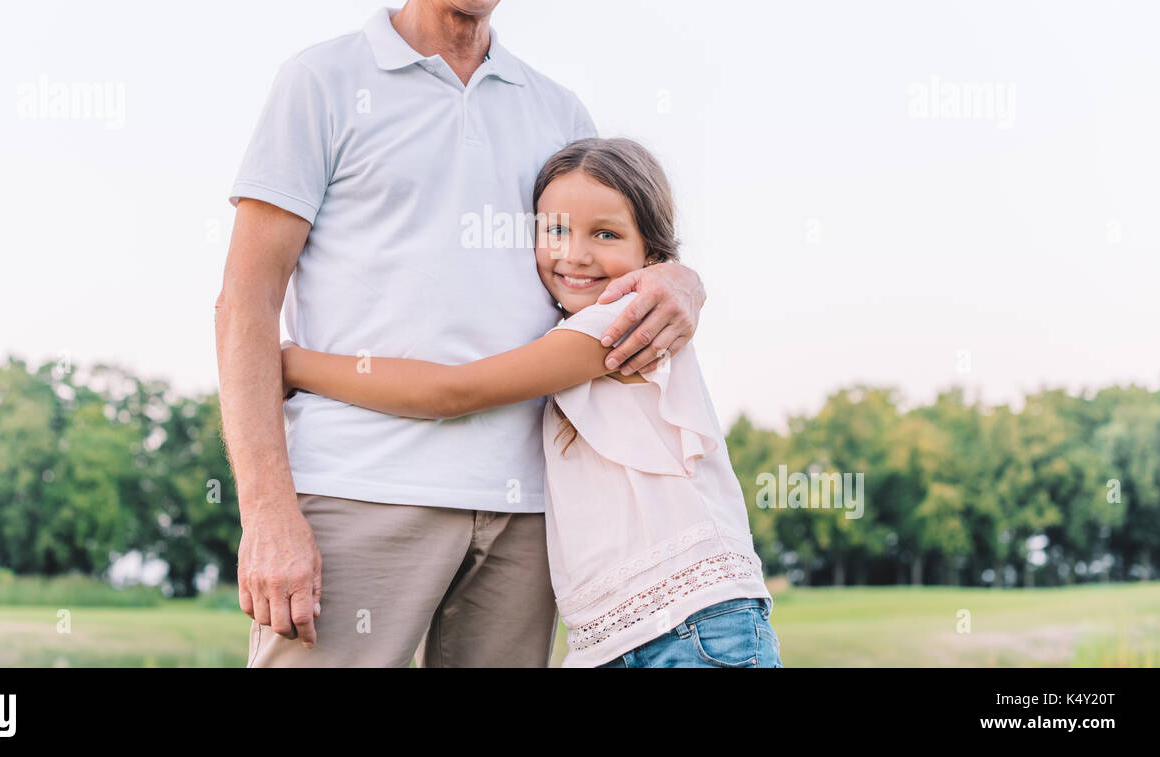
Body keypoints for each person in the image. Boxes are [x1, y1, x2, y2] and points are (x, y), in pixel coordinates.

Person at [215, 0, 708, 667]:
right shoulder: (322, 83)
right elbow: (245, 303)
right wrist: (266, 512)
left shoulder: (557, 110)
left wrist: (686, 280)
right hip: (354, 492)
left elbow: (612, 264)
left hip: (530, 513)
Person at [279, 137, 783, 667]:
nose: (575, 254)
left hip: (691, 626)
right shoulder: (577, 330)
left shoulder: (620, 322)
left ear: (651, 255)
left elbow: (453, 392)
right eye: (556, 230)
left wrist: (293, 364)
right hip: (631, 634)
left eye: (606, 234)